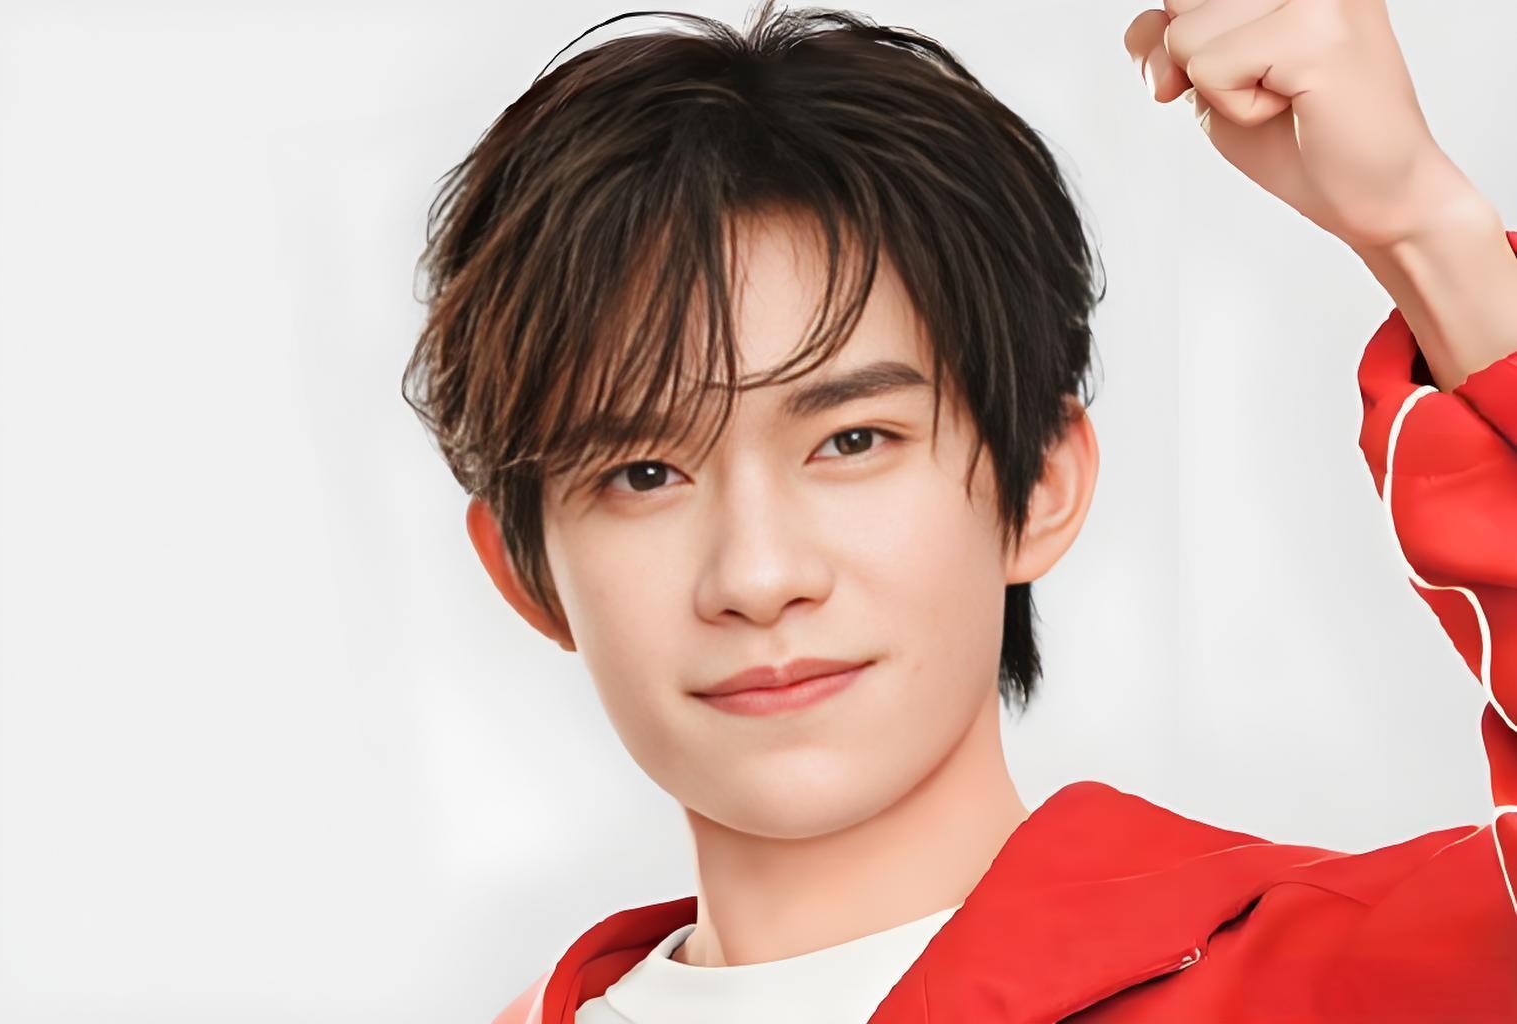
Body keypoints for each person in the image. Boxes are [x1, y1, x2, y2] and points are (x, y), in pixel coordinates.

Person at [400, 2, 1517, 1020]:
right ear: (525, 571)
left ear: (1039, 484)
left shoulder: (1361, 979)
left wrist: (1426, 233)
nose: (757, 575)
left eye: (851, 440)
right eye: (644, 474)